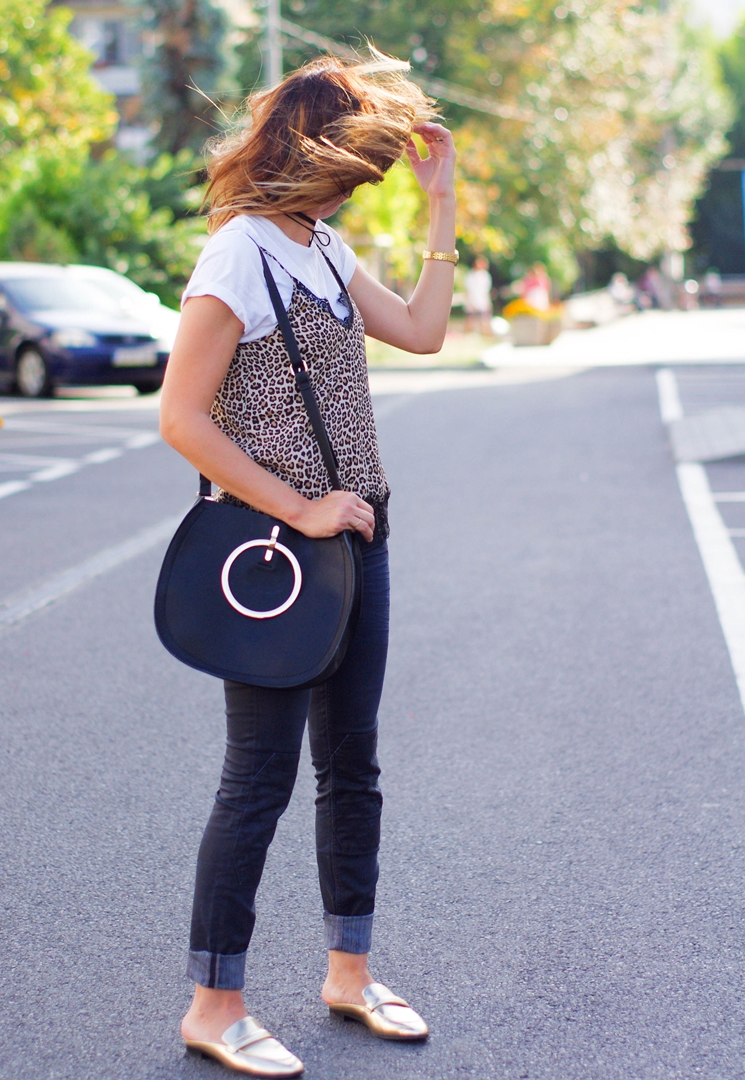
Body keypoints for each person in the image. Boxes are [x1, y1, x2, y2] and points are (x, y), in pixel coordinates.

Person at [159, 53, 457, 1078]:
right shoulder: (238, 253)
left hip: (359, 544)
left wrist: (441, 203)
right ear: (313, 157)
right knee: (258, 779)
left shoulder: (321, 247)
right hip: (276, 553)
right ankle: (214, 1005)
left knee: (352, 765)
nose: (351, 195)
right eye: (350, 176)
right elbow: (180, 417)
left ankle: (348, 973)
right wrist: (300, 506)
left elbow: (422, 331)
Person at [463, 256, 493, 334]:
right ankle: (468, 332)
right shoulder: (470, 275)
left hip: (482, 300)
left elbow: (486, 290)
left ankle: (484, 333)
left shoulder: (485, 275)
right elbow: (468, 289)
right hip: (472, 299)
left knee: (484, 319)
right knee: (470, 318)